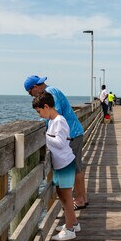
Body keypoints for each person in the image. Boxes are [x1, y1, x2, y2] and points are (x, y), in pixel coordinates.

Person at [24, 75, 88, 210]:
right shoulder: (53, 91)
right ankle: (82, 198)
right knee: (77, 167)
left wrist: (43, 132)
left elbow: (54, 115)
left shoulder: (50, 93)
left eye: (30, 92)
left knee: (75, 168)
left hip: (72, 135)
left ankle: (80, 200)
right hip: (72, 134)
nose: (31, 95)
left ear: (35, 87)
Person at [32, 92, 79, 241]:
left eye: (40, 111)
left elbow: (60, 143)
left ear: (46, 106)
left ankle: (70, 229)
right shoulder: (52, 121)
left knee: (66, 197)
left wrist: (43, 137)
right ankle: (74, 223)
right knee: (60, 193)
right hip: (60, 164)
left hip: (65, 163)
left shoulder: (59, 121)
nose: (40, 115)